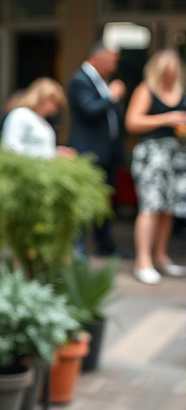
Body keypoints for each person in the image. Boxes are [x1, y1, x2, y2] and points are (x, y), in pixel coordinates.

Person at [125, 50, 186, 284]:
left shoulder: (179, 92)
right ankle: (143, 261)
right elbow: (132, 122)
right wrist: (167, 118)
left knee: (167, 208)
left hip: (175, 155)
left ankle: (161, 256)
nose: (171, 75)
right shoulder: (145, 90)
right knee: (150, 206)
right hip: (152, 154)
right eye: (167, 71)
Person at [67, 43, 126, 257]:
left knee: (104, 202)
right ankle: (78, 248)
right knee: (86, 200)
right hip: (89, 152)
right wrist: (112, 96)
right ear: (97, 59)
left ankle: (105, 246)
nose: (113, 66)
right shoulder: (80, 81)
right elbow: (90, 110)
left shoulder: (101, 81)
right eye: (110, 61)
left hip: (106, 152)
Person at [1, 78, 75, 159]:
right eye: (54, 103)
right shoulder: (20, 114)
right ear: (42, 97)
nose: (55, 109)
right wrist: (51, 155)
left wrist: (56, 152)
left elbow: (42, 149)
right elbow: (11, 148)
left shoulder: (43, 121)